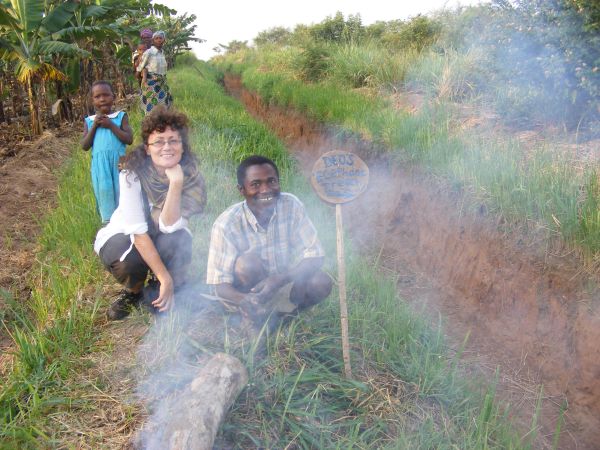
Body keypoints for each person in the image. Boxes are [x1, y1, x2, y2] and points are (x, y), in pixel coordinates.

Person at [94, 107, 206, 320]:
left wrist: (176, 183)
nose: (167, 147)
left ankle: (155, 285)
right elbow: (138, 234)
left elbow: (169, 226)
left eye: (174, 141)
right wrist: (167, 279)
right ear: (147, 148)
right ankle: (134, 292)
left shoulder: (190, 177)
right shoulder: (132, 174)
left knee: (180, 239)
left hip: (160, 234)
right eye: (159, 141)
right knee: (130, 262)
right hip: (127, 237)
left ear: (182, 146)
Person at [206, 155, 332, 323]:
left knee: (320, 281)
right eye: (255, 184)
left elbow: (315, 255)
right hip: (246, 295)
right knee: (247, 264)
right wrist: (245, 300)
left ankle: (285, 317)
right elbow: (219, 285)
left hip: (280, 284)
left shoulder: (291, 205)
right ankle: (250, 317)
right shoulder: (226, 224)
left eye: (271, 181)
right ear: (241, 189)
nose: (265, 190)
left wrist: (281, 279)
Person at [81, 80, 133, 223]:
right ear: (92, 101)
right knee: (105, 194)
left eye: (106, 95)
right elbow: (84, 145)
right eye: (97, 97)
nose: (102, 99)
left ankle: (126, 225)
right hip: (100, 168)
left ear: (113, 96)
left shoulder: (120, 117)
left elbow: (129, 139)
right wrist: (94, 127)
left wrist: (110, 125)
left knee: (123, 194)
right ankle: (109, 227)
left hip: (119, 165)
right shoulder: (90, 121)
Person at [137, 30, 172, 115]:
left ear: (164, 40)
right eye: (156, 38)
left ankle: (162, 122)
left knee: (165, 103)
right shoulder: (149, 52)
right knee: (151, 105)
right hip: (151, 82)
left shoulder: (162, 53)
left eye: (161, 38)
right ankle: (150, 125)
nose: (159, 40)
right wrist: (143, 79)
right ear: (153, 41)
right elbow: (141, 67)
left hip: (162, 82)